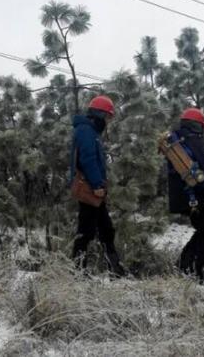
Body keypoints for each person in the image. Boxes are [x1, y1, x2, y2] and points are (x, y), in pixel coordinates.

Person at [70, 95, 126, 277]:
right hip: (90, 189)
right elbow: (87, 160)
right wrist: (96, 184)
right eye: (108, 116)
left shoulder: (90, 131)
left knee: (105, 229)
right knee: (86, 232)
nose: (109, 121)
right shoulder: (86, 131)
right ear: (100, 114)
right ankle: (78, 272)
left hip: (94, 188)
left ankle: (115, 270)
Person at [167, 108, 204, 285]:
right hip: (195, 197)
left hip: (192, 196)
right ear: (197, 125)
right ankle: (199, 272)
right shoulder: (188, 141)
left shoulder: (182, 140)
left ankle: (185, 266)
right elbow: (190, 170)